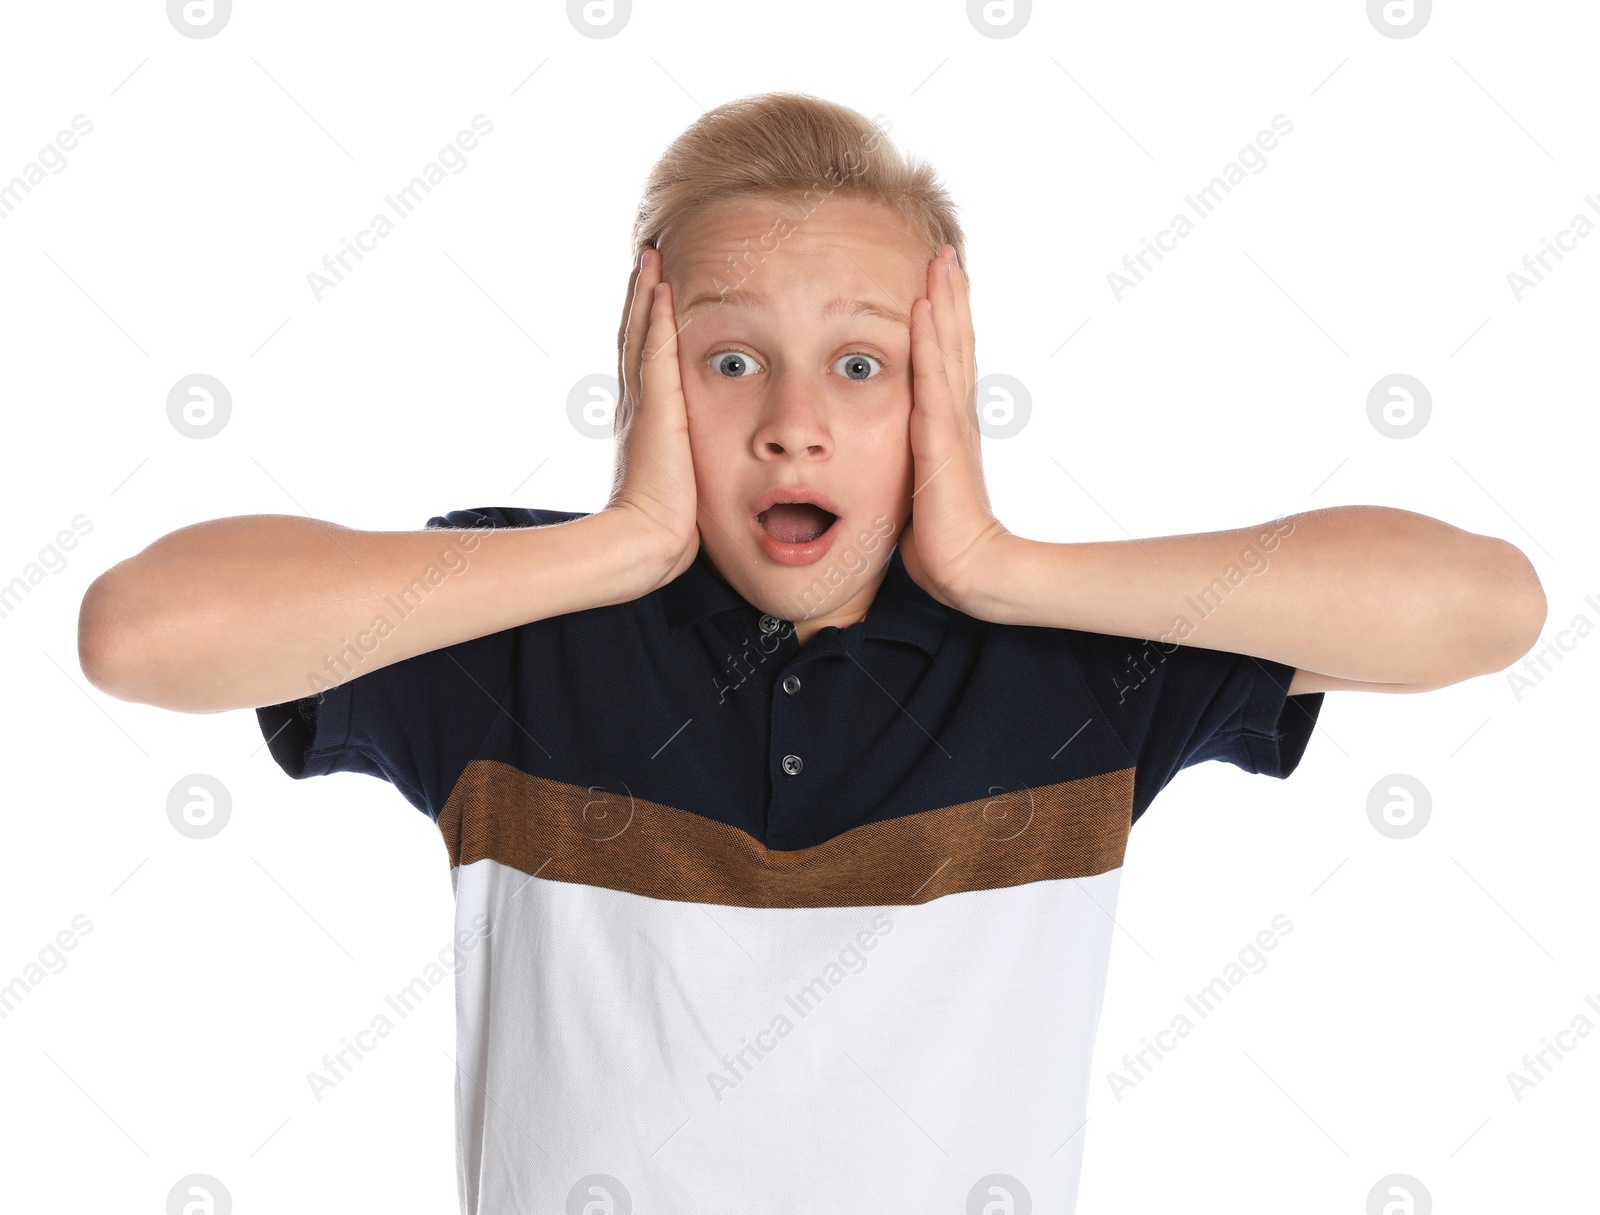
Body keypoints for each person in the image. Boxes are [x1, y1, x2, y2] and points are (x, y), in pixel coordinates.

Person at [77, 92, 1547, 1215]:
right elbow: (141, 632)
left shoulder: (1074, 663)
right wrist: (617, 543)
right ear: (641, 379)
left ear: (944, 397)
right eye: (729, 360)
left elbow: (1487, 607)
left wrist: (1003, 568)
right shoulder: (515, 632)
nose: (795, 418)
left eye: (862, 364)